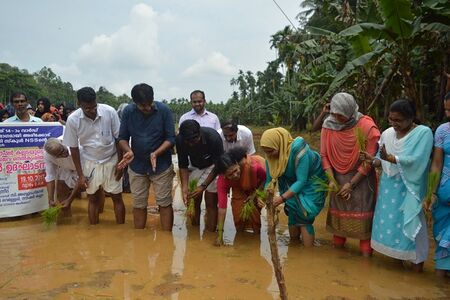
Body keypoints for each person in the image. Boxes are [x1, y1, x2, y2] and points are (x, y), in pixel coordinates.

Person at [361, 99, 433, 272]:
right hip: (388, 189)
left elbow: (419, 160)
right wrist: (373, 160)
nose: (394, 124)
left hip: (410, 188)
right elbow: (381, 161)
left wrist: (392, 158)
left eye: (398, 120)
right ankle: (398, 266)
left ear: (411, 118)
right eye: (391, 120)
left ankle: (417, 269)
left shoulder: (423, 133)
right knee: (393, 227)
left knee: (413, 227)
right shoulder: (386, 134)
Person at [320, 92, 380, 256]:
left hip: (361, 182)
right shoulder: (328, 125)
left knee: (364, 233)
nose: (336, 118)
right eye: (334, 114)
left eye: (340, 116)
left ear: (349, 111)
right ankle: (338, 265)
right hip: (337, 180)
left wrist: (352, 184)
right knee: (338, 231)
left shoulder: (367, 127)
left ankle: (366, 267)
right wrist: (331, 180)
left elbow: (368, 160)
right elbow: (324, 155)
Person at [117, 83, 176, 230]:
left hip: (161, 166)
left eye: (149, 104)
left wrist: (156, 153)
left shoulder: (164, 111)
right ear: (135, 103)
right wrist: (128, 150)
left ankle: (167, 240)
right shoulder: (129, 112)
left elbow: (171, 138)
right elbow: (122, 138)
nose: (147, 108)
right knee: (138, 204)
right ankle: (139, 239)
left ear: (153, 99)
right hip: (137, 166)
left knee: (164, 203)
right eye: (143, 106)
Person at [63, 87, 125, 225]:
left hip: (111, 158)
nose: (92, 110)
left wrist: (120, 164)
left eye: (94, 106)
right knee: (93, 198)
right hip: (90, 161)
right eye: (87, 108)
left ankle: (121, 230)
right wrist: (80, 176)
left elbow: (119, 139)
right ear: (79, 104)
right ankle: (94, 229)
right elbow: (73, 148)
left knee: (117, 197)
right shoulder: (73, 120)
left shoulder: (109, 112)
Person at [261, 127, 326, 247]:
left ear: (279, 145)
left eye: (271, 151)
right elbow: (269, 181)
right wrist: (266, 198)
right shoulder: (270, 158)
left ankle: (308, 255)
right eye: (266, 151)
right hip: (291, 182)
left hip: (311, 181)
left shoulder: (299, 151)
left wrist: (281, 198)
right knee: (293, 214)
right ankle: (294, 252)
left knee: (304, 215)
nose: (269, 155)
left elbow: (301, 181)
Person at [176, 119, 224, 231]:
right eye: (188, 141)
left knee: (211, 201)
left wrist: (203, 186)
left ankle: (210, 232)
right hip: (196, 166)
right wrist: (184, 188)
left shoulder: (213, 137)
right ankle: (193, 232)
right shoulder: (180, 140)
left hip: (213, 166)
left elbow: (218, 165)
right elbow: (183, 165)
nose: (191, 144)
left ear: (200, 134)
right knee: (193, 199)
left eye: (194, 140)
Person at [215, 147, 266, 245]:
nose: (235, 175)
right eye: (230, 174)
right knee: (238, 215)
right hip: (237, 189)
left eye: (235, 170)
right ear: (224, 176)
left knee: (254, 215)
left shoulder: (252, 167)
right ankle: (240, 239)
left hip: (256, 186)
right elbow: (222, 208)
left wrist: (255, 195)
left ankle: (256, 241)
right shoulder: (222, 181)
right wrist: (220, 235)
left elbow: (265, 178)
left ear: (237, 163)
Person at [429, 92, 450, 277]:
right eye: (446, 109)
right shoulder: (442, 130)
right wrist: (432, 192)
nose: (449, 114)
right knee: (441, 234)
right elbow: (436, 163)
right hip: (444, 190)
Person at [44, 138, 83, 215]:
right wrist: (50, 199)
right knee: (61, 187)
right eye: (59, 155)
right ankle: (66, 216)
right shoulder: (48, 155)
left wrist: (70, 199)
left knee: (94, 192)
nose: (63, 154)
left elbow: (81, 177)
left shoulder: (79, 147)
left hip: (84, 166)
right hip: (66, 167)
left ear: (62, 143)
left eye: (63, 150)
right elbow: (50, 176)